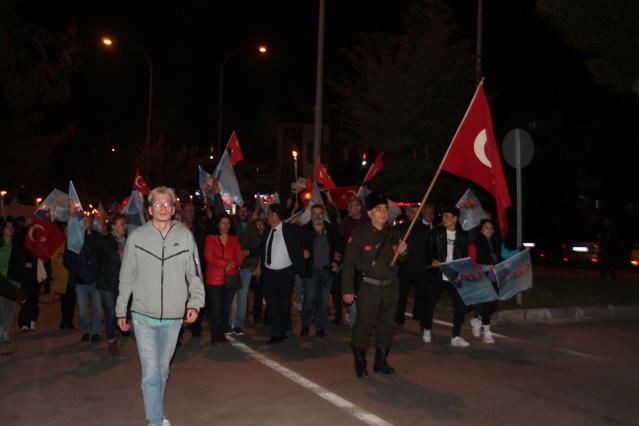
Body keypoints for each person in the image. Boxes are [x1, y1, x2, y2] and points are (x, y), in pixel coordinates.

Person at [116, 186, 205, 426]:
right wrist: (121, 310)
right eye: (158, 204)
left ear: (174, 208)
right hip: (142, 315)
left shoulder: (185, 237)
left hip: (173, 318)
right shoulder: (137, 237)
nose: (163, 208)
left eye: (167, 204)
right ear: (149, 209)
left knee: (163, 371)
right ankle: (155, 420)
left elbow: (195, 274)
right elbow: (126, 277)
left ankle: (154, 411)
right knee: (151, 373)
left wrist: (195, 303)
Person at [341, 191, 408, 377]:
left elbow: (401, 260)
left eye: (385, 209)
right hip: (369, 289)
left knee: (386, 327)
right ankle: (360, 363)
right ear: (369, 213)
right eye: (378, 209)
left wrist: (403, 252)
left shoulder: (393, 232)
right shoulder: (359, 234)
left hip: (390, 288)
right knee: (364, 326)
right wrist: (347, 289)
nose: (383, 212)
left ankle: (381, 361)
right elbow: (348, 265)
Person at [242, 203, 313, 344]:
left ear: (275, 215)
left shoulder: (290, 229)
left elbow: (310, 236)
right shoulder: (268, 232)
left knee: (284, 304)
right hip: (269, 274)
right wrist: (248, 252)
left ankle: (282, 330)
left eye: (268, 213)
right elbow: (262, 249)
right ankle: (276, 333)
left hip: (285, 273)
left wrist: (304, 251)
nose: (266, 216)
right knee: (271, 304)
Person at [420, 206, 470, 347]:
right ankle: (427, 329)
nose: (443, 219)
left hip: (454, 274)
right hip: (439, 273)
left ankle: (456, 336)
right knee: (431, 302)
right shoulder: (436, 232)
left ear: (455, 218)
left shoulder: (462, 235)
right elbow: (429, 250)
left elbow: (464, 255)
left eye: (447, 216)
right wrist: (433, 260)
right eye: (443, 216)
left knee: (459, 305)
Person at [85, 213, 128, 355]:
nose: (125, 227)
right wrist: (89, 229)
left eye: (124, 224)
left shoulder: (125, 241)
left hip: (121, 282)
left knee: (119, 309)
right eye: (122, 224)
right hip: (106, 282)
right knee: (111, 311)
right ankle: (111, 340)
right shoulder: (105, 240)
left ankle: (115, 329)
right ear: (114, 226)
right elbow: (92, 243)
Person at [300, 204, 342, 337]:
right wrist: (302, 254)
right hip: (311, 272)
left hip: (326, 271)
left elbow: (341, 245)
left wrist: (337, 261)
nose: (317, 216)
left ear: (324, 215)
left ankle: (320, 328)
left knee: (323, 303)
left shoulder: (330, 229)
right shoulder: (304, 230)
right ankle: (305, 326)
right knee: (308, 302)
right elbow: (296, 247)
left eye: (320, 213)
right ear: (311, 215)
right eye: (314, 213)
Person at [204, 215, 243, 344]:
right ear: (217, 225)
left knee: (226, 307)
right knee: (216, 308)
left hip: (231, 277)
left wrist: (235, 264)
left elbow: (239, 255)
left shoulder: (234, 239)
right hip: (215, 279)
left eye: (228, 223)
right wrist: (225, 263)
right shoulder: (211, 238)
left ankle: (222, 333)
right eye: (223, 223)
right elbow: (209, 256)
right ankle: (215, 334)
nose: (226, 225)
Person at [393, 203, 431, 329]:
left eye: (417, 212)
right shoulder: (400, 228)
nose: (414, 214)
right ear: (408, 213)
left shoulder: (425, 229)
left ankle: (423, 322)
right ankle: (399, 320)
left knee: (423, 296)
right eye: (412, 212)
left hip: (420, 268)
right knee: (401, 296)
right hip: (405, 268)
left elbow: (429, 248)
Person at [336, 196, 369, 327]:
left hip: (367, 266)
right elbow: (338, 242)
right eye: (347, 206)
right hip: (351, 265)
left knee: (367, 298)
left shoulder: (369, 222)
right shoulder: (344, 224)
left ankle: (367, 325)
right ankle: (355, 329)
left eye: (350, 206)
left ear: (359, 207)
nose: (347, 209)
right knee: (353, 297)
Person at [63, 234, 102, 343]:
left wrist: (97, 270)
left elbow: (101, 254)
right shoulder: (72, 239)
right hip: (80, 280)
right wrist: (78, 270)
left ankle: (95, 333)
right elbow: (67, 260)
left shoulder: (95, 236)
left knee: (97, 306)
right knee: (82, 309)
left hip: (95, 279)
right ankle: (85, 332)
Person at [228, 204, 260, 335]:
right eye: (240, 211)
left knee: (242, 298)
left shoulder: (253, 228)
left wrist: (252, 265)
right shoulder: (232, 226)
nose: (242, 213)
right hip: (233, 267)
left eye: (245, 211)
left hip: (247, 268)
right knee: (230, 297)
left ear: (249, 213)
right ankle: (229, 323)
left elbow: (257, 247)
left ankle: (239, 325)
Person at [0, 219, 26, 343]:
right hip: (1, 279)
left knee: (10, 307)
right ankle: (0, 328)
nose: (10, 229)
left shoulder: (15, 243)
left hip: (13, 279)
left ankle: (6, 332)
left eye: (12, 227)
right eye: (7, 227)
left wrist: (26, 225)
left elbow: (22, 236)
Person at [251, 217, 267, 324]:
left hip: (266, 271)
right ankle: (257, 316)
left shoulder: (268, 238)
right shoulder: (252, 239)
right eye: (257, 226)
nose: (259, 228)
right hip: (254, 271)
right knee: (257, 295)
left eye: (261, 225)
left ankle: (265, 317)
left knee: (265, 294)